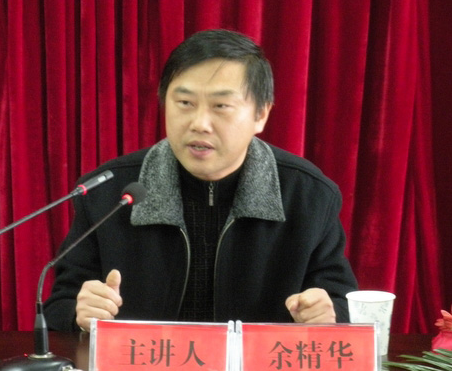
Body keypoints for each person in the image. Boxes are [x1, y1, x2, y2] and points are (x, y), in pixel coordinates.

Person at [43, 29, 358, 333]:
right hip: (142, 369)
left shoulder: (308, 195)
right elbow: (60, 304)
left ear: (260, 115)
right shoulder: (110, 192)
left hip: (259, 370)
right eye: (185, 103)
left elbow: (344, 304)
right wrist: (80, 313)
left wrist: (329, 312)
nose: (200, 123)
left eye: (221, 106)